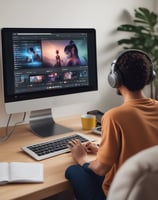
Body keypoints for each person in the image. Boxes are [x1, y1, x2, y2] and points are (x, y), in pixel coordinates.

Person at [65, 49, 158, 200]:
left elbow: (101, 169)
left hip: (122, 194)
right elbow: (141, 151)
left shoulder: (114, 117)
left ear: (114, 79)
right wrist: (101, 150)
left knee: (73, 170)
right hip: (149, 191)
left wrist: (81, 159)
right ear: (149, 77)